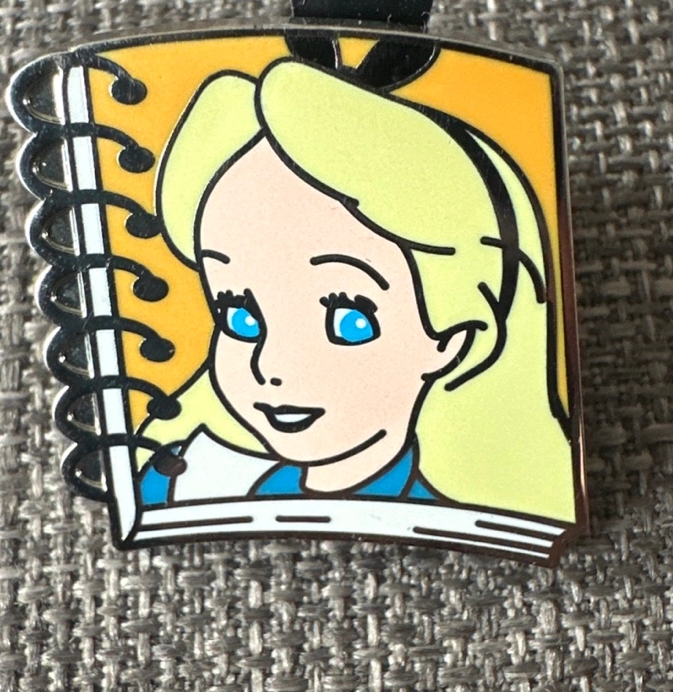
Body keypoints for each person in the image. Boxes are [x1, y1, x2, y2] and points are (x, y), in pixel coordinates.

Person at [137, 56, 575, 523]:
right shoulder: (192, 480)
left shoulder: (473, 515)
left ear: (452, 338)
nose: (271, 366)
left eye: (349, 321)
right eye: (239, 316)